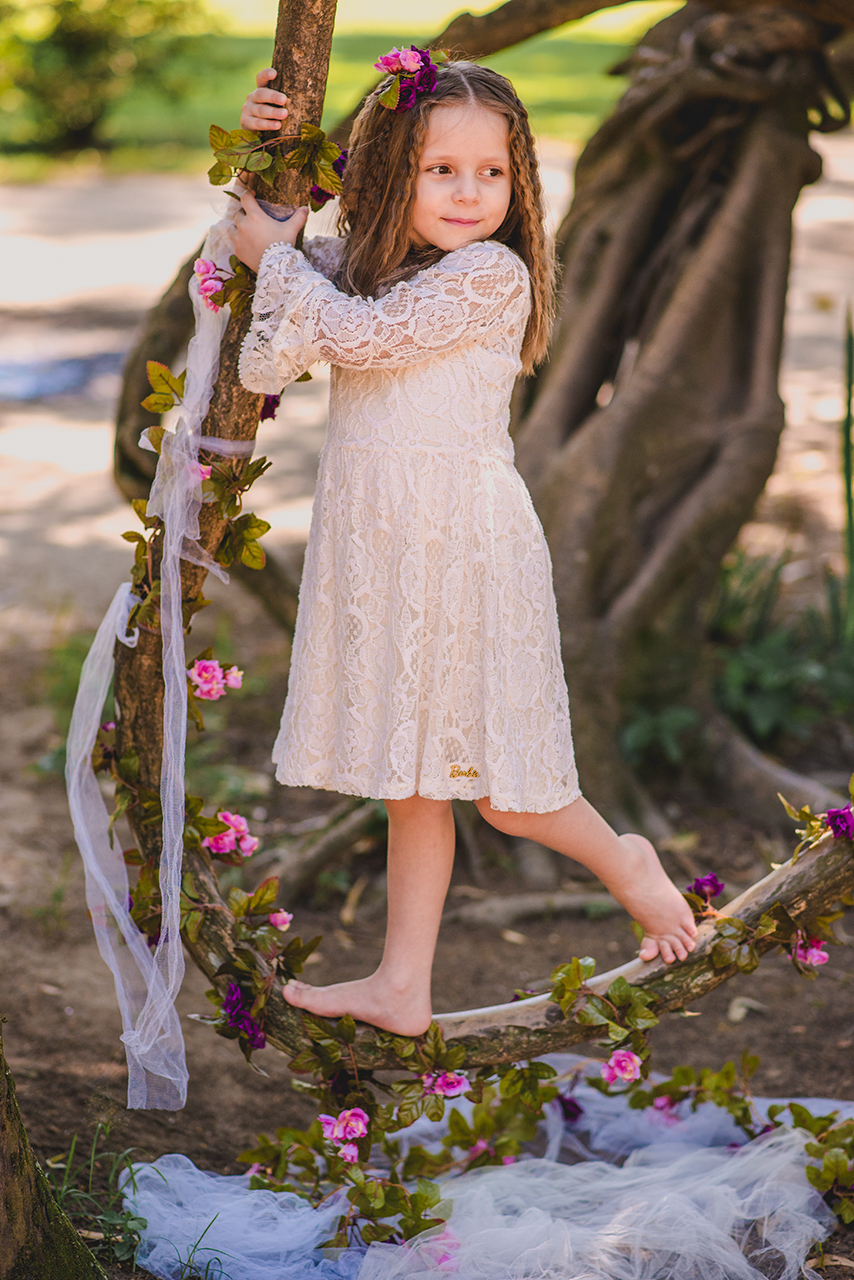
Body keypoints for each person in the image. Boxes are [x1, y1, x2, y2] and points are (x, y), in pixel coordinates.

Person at [229, 53, 697, 1037]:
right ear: (388, 170)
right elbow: (270, 349)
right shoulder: (360, 269)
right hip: (382, 547)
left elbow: (356, 336)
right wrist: (267, 165)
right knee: (409, 783)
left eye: (491, 172)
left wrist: (277, 257)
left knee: (505, 794)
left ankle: (628, 864)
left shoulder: (490, 273)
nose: (469, 193)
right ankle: (402, 986)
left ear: (518, 181)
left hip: (462, 548)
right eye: (441, 169)